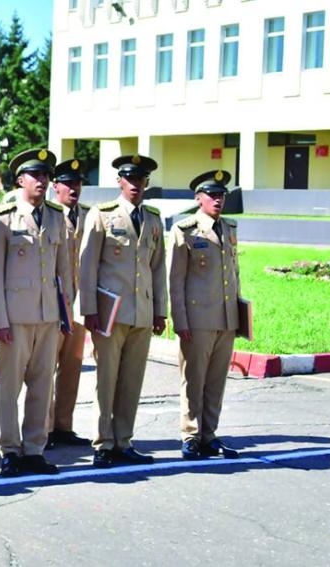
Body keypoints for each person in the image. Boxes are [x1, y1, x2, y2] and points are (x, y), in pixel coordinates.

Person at [0, 148, 73, 477]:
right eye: (35, 175)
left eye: (45, 175)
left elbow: (63, 272)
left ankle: (35, 448)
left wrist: (64, 315)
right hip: (15, 318)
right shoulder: (2, 218)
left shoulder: (56, 216)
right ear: (20, 179)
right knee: (9, 388)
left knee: (41, 386)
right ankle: (10, 449)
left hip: (47, 316)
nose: (42, 180)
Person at [79, 154, 167, 468]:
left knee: (132, 381)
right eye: (130, 179)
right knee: (106, 379)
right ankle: (103, 443)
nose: (135, 185)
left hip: (141, 310)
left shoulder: (153, 218)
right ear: (119, 181)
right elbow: (87, 266)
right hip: (110, 312)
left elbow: (158, 268)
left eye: (141, 179)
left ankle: (123, 441)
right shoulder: (102, 215)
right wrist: (89, 309)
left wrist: (160, 310)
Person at [169, 170, 241, 460]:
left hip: (226, 318)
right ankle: (191, 434)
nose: (218, 200)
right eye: (212, 195)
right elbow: (176, 280)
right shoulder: (186, 230)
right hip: (197, 320)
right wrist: (180, 320)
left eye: (221, 195)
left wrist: (239, 313)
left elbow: (234, 274)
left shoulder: (229, 228)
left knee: (216, 382)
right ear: (198, 198)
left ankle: (209, 435)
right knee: (194, 379)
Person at [47, 159, 93, 448]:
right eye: (68, 183)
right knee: (44, 370)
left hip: (79, 304)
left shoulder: (89, 215)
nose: (74, 188)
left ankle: (63, 425)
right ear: (56, 187)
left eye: (77, 183)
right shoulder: (49, 215)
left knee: (72, 366)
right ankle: (43, 427)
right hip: (52, 303)